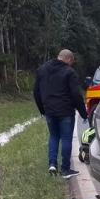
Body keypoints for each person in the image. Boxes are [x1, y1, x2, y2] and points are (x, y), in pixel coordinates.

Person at [33, 48, 87, 177]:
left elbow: (36, 92)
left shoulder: (42, 69)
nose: (71, 65)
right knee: (66, 139)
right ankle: (65, 169)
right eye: (71, 62)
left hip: (49, 111)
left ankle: (52, 165)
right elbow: (76, 94)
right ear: (68, 59)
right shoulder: (69, 72)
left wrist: (42, 110)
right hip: (66, 112)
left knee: (54, 136)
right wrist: (83, 113)